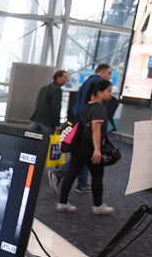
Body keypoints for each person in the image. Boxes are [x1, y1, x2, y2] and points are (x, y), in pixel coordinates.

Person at [48, 63, 113, 195]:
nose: (110, 77)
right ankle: (59, 174)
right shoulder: (99, 84)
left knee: (81, 155)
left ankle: (82, 184)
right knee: (83, 155)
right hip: (87, 125)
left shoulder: (87, 81)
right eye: (109, 73)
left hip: (79, 121)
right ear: (102, 72)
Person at [57, 79, 116, 215]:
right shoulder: (99, 108)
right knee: (97, 176)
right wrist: (97, 149)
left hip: (79, 146)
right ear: (99, 92)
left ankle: (62, 203)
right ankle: (98, 206)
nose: (110, 95)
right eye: (108, 91)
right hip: (90, 147)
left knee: (71, 174)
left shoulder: (88, 106)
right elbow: (96, 129)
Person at [28, 70, 67, 136]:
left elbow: (38, 103)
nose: (66, 80)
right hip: (47, 123)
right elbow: (56, 108)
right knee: (46, 144)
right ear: (58, 78)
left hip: (36, 119)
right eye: (65, 77)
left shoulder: (44, 88)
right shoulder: (57, 90)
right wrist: (57, 124)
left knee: (30, 142)